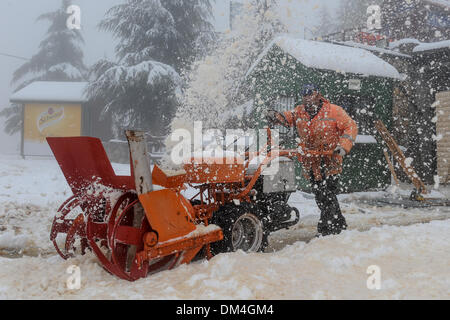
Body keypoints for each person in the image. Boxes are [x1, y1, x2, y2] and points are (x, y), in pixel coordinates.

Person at [266, 84, 358, 237]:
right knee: (321, 194)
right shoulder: (299, 111)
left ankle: (327, 230)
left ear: (317, 95)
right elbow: (286, 118)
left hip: (329, 159)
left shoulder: (334, 111)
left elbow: (350, 127)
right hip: (311, 161)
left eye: (310, 94)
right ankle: (338, 223)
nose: (307, 97)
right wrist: (275, 116)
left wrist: (343, 146)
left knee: (326, 194)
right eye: (304, 94)